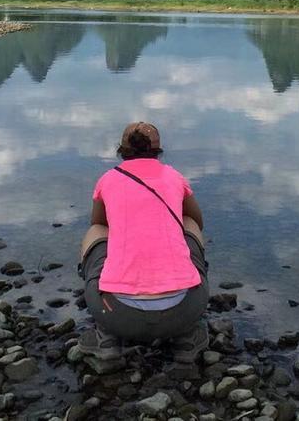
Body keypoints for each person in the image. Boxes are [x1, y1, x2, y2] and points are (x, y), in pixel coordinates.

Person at [77, 121, 210, 361]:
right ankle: (186, 338)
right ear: (158, 150)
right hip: (185, 311)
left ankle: (106, 337)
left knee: (96, 232)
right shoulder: (174, 176)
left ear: (122, 150)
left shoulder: (108, 179)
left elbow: (99, 223)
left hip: (117, 314)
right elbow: (196, 221)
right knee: (188, 224)